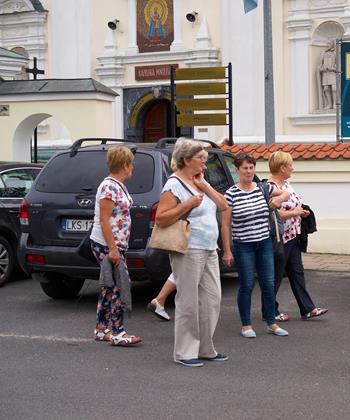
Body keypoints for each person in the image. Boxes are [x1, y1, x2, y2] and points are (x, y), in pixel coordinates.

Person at [155, 138, 229, 367]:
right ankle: (185, 352)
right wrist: (187, 205)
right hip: (188, 248)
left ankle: (206, 348)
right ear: (186, 160)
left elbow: (224, 205)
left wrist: (205, 186)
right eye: (201, 159)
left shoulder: (199, 181)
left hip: (208, 247)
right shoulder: (174, 185)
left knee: (212, 299)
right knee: (188, 301)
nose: (205, 165)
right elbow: (161, 218)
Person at [221, 153, 290, 338]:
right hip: (243, 245)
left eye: (251, 167)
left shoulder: (263, 188)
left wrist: (279, 199)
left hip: (265, 243)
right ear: (237, 170)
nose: (249, 171)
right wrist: (227, 251)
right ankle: (246, 324)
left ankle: (272, 323)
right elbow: (226, 224)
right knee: (247, 284)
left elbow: (286, 191)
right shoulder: (231, 194)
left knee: (268, 283)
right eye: (245, 168)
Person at [265, 151, 328, 322]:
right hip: (280, 237)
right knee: (276, 275)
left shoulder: (286, 184)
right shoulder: (270, 187)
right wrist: (296, 212)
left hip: (293, 235)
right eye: (290, 165)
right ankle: (269, 311)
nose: (292, 168)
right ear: (282, 168)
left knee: (297, 273)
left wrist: (301, 212)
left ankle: (307, 309)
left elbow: (293, 205)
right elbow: (275, 214)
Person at [90, 146, 141, 346]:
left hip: (115, 245)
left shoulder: (117, 185)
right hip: (107, 245)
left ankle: (101, 329)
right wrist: (112, 249)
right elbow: (104, 220)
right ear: (125, 165)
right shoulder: (109, 187)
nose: (133, 168)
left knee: (108, 288)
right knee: (119, 287)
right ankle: (118, 332)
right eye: (131, 164)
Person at [318, 40, 337, 109]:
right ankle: (329, 104)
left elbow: (339, 64)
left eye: (329, 43)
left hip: (333, 73)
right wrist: (322, 69)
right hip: (325, 73)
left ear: (332, 44)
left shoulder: (335, 53)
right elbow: (320, 66)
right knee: (326, 89)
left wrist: (333, 68)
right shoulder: (323, 53)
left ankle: (335, 103)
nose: (328, 44)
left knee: (334, 88)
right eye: (327, 43)